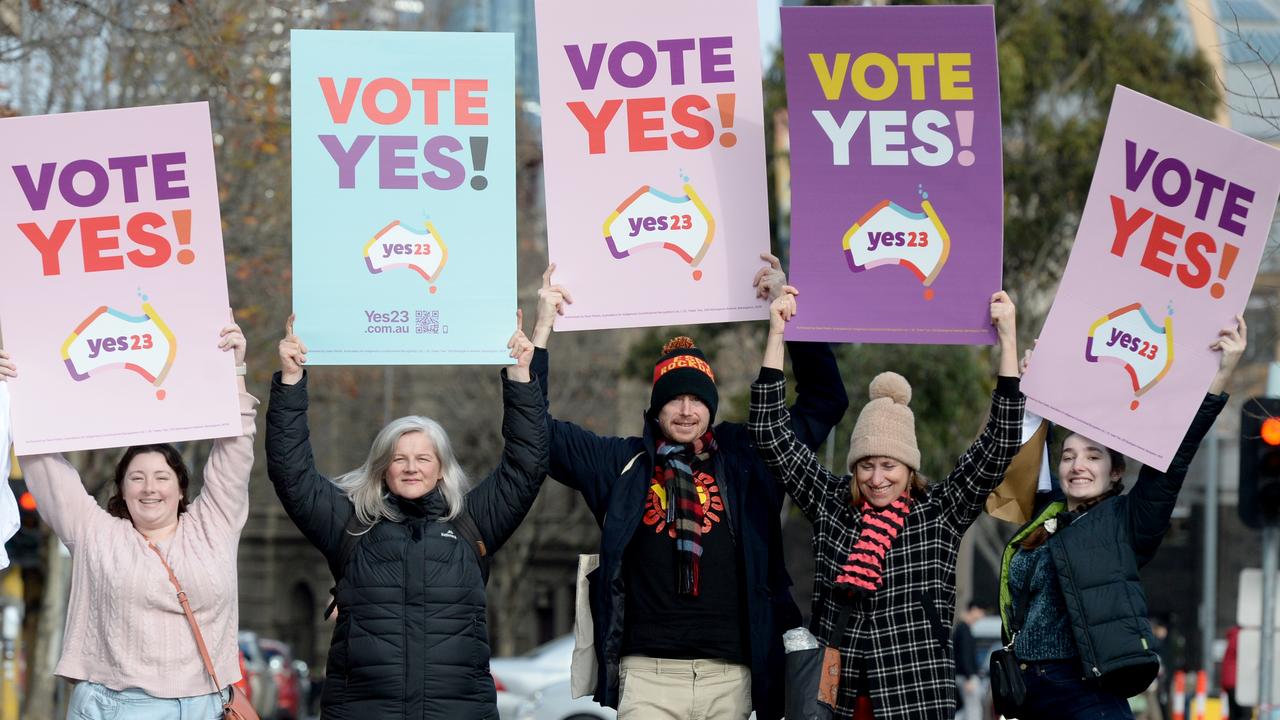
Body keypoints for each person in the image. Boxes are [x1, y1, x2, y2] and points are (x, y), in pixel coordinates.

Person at [530, 256, 849, 720]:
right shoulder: (622, 462)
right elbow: (536, 434)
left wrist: (789, 314)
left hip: (732, 679)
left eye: (697, 398)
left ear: (712, 406)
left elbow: (825, 400)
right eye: (674, 398)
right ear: (656, 408)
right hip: (647, 678)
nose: (685, 410)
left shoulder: (749, 454)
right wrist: (542, 332)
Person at [750, 287, 1023, 720]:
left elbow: (1000, 443)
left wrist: (1007, 337)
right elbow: (769, 432)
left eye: (890, 466)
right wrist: (777, 333)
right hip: (833, 695)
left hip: (914, 690)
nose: (877, 479)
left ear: (910, 468)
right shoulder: (831, 503)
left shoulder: (939, 510)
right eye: (866, 466)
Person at [266, 313, 547, 719]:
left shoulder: (472, 525)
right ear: (383, 467)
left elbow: (527, 465)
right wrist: (291, 382)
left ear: (441, 467)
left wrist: (522, 377)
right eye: (399, 458)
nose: (411, 467)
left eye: (423, 458)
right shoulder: (352, 525)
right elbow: (291, 473)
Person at [0, 322, 255, 718]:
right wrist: (17, 389)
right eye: (136, 477)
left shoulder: (214, 526)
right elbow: (44, 463)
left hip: (207, 705)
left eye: (161, 477)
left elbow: (235, 453)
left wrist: (235, 373)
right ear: (121, 490)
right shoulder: (95, 533)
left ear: (182, 488)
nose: (149, 488)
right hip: (116, 706)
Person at [996, 315, 1245, 720]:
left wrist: (1221, 375)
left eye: (1093, 457)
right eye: (1069, 457)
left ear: (1115, 472)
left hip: (1087, 696)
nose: (1078, 466)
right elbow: (1021, 444)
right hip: (1027, 695)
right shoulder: (1045, 517)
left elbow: (1176, 458)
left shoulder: (1127, 521)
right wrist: (1032, 384)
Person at [952, 603, 986, 720]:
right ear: (974, 609)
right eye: (981, 611)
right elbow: (965, 655)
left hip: (963, 676)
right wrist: (969, 677)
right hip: (966, 677)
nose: (982, 615)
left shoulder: (961, 628)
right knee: (973, 710)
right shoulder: (964, 629)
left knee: (965, 710)